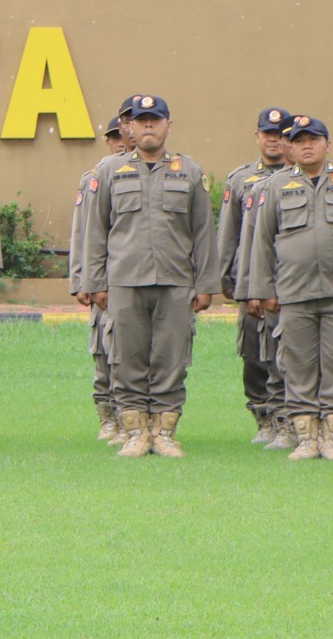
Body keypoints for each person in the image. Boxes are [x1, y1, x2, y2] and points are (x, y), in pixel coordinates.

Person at [77, 94, 218, 459]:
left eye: (156, 119)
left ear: (169, 125)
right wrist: (94, 282)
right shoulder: (109, 172)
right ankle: (136, 433)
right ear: (130, 127)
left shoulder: (189, 172)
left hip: (175, 281)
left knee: (171, 359)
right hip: (124, 281)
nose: (149, 126)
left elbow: (203, 233)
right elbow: (96, 231)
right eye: (141, 121)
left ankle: (165, 433)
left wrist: (205, 284)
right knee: (127, 359)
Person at [240, 114, 333, 461]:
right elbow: (262, 240)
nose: (306, 146)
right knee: (298, 363)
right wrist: (262, 288)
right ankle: (305, 437)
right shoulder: (276, 185)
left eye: (313, 140)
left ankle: (331, 437)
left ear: (327, 145)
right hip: (293, 292)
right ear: (291, 146)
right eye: (299, 141)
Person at [218, 108, 295, 447]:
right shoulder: (241, 179)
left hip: (292, 278)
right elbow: (229, 233)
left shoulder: (302, 177)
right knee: (254, 353)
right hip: (251, 281)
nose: (274, 139)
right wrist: (226, 278)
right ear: (257, 137)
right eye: (268, 133)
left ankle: (291, 417)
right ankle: (263, 416)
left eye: (281, 133)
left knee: (292, 351)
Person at [73, 114, 129, 443]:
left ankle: (132, 417)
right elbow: (83, 231)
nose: (122, 141)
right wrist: (82, 279)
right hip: (104, 280)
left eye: (126, 133)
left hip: (135, 278)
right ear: (107, 141)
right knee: (103, 351)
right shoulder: (93, 178)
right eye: (115, 136)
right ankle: (108, 417)